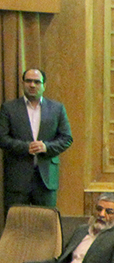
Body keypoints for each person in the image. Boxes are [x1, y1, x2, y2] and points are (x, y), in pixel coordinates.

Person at [0, 68, 73, 212]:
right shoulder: (9, 108)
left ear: (44, 85)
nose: (32, 85)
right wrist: (25, 147)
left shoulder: (57, 109)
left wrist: (46, 147)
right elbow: (2, 138)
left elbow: (66, 138)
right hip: (17, 178)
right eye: (28, 81)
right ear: (23, 83)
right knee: (17, 221)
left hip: (46, 179)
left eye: (37, 82)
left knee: (46, 221)